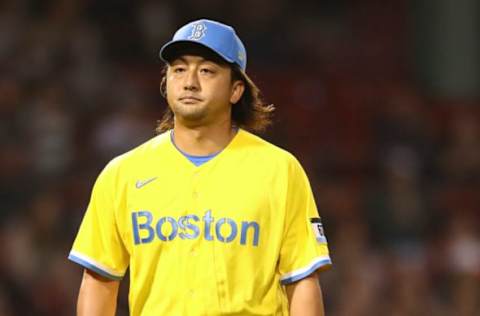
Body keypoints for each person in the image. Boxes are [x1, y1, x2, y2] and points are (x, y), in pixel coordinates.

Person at [69, 18, 332, 316]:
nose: (190, 81)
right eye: (179, 69)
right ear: (166, 81)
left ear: (236, 90)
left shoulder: (280, 170)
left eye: (206, 70)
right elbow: (98, 280)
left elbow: (302, 279)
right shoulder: (122, 174)